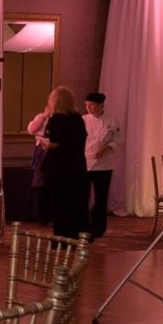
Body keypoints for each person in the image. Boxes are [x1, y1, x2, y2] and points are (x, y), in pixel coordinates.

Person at [41, 86, 88, 239]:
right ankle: (79, 234)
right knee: (76, 201)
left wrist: (47, 145)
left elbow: (54, 142)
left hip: (59, 167)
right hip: (77, 166)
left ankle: (62, 236)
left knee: (60, 203)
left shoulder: (57, 119)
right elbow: (78, 140)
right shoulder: (78, 119)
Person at [83, 92, 123, 238]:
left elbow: (119, 140)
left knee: (101, 197)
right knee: (83, 196)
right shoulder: (83, 120)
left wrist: (106, 148)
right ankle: (83, 226)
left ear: (101, 105)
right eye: (87, 105)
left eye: (92, 105)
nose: (89, 108)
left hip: (104, 165)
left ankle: (98, 228)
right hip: (85, 163)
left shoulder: (112, 120)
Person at [27, 101, 53, 225]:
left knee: (52, 184)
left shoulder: (62, 119)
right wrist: (44, 116)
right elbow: (31, 130)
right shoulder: (41, 117)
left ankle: (52, 215)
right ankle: (40, 215)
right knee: (38, 182)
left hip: (55, 151)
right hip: (41, 152)